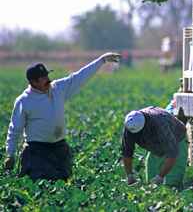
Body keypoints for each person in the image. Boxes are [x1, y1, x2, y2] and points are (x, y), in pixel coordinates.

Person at [2, 52, 121, 181]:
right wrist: (10, 155)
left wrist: (101, 60)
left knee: (62, 186)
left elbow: (79, 76)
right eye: (43, 78)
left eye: (47, 75)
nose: (47, 79)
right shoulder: (24, 101)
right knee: (40, 188)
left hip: (59, 150)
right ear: (33, 82)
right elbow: (15, 130)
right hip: (37, 153)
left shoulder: (58, 88)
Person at [121, 106, 188, 187]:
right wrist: (129, 176)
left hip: (176, 144)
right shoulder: (130, 125)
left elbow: (172, 154)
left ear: (145, 125)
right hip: (153, 149)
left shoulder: (160, 125)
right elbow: (126, 152)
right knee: (151, 185)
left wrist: (160, 177)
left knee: (171, 185)